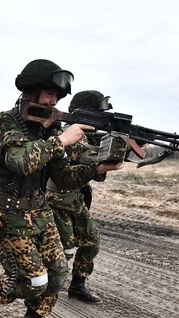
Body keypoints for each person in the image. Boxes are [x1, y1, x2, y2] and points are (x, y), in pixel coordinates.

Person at [0, 60, 122, 318]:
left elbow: (64, 177)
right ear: (31, 91)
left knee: (57, 275)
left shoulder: (48, 130)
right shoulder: (6, 123)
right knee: (34, 281)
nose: (53, 100)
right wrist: (63, 141)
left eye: (57, 96)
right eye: (48, 93)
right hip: (9, 215)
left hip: (40, 212)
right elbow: (19, 162)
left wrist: (98, 169)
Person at [46, 90, 114, 303]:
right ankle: (42, 293)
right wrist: (108, 152)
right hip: (56, 201)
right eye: (100, 114)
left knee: (91, 241)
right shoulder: (71, 134)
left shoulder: (90, 138)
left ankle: (77, 286)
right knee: (64, 250)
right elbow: (85, 158)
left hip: (75, 199)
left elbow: (97, 174)